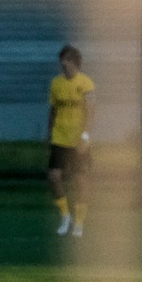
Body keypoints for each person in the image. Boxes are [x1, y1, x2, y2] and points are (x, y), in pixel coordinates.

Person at [47, 46, 95, 237]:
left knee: (80, 179)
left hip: (78, 140)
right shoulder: (56, 83)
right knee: (54, 176)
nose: (63, 63)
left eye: (66, 59)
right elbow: (53, 110)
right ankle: (65, 216)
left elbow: (91, 112)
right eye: (62, 59)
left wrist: (86, 135)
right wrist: (49, 132)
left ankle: (79, 222)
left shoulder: (86, 83)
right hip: (60, 137)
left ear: (75, 62)